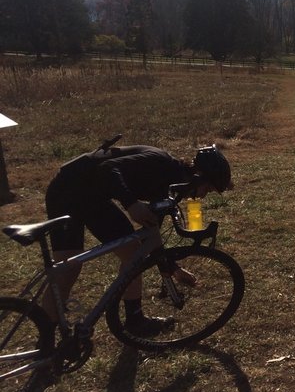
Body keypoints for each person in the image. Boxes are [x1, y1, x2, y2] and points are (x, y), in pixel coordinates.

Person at [44, 142, 233, 335]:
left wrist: (172, 267)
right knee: (67, 270)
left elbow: (151, 235)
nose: (201, 196)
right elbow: (108, 168)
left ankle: (135, 320)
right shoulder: (160, 163)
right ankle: (46, 339)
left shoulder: (169, 186)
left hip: (93, 196)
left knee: (133, 253)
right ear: (197, 177)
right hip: (67, 190)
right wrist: (131, 204)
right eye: (207, 190)